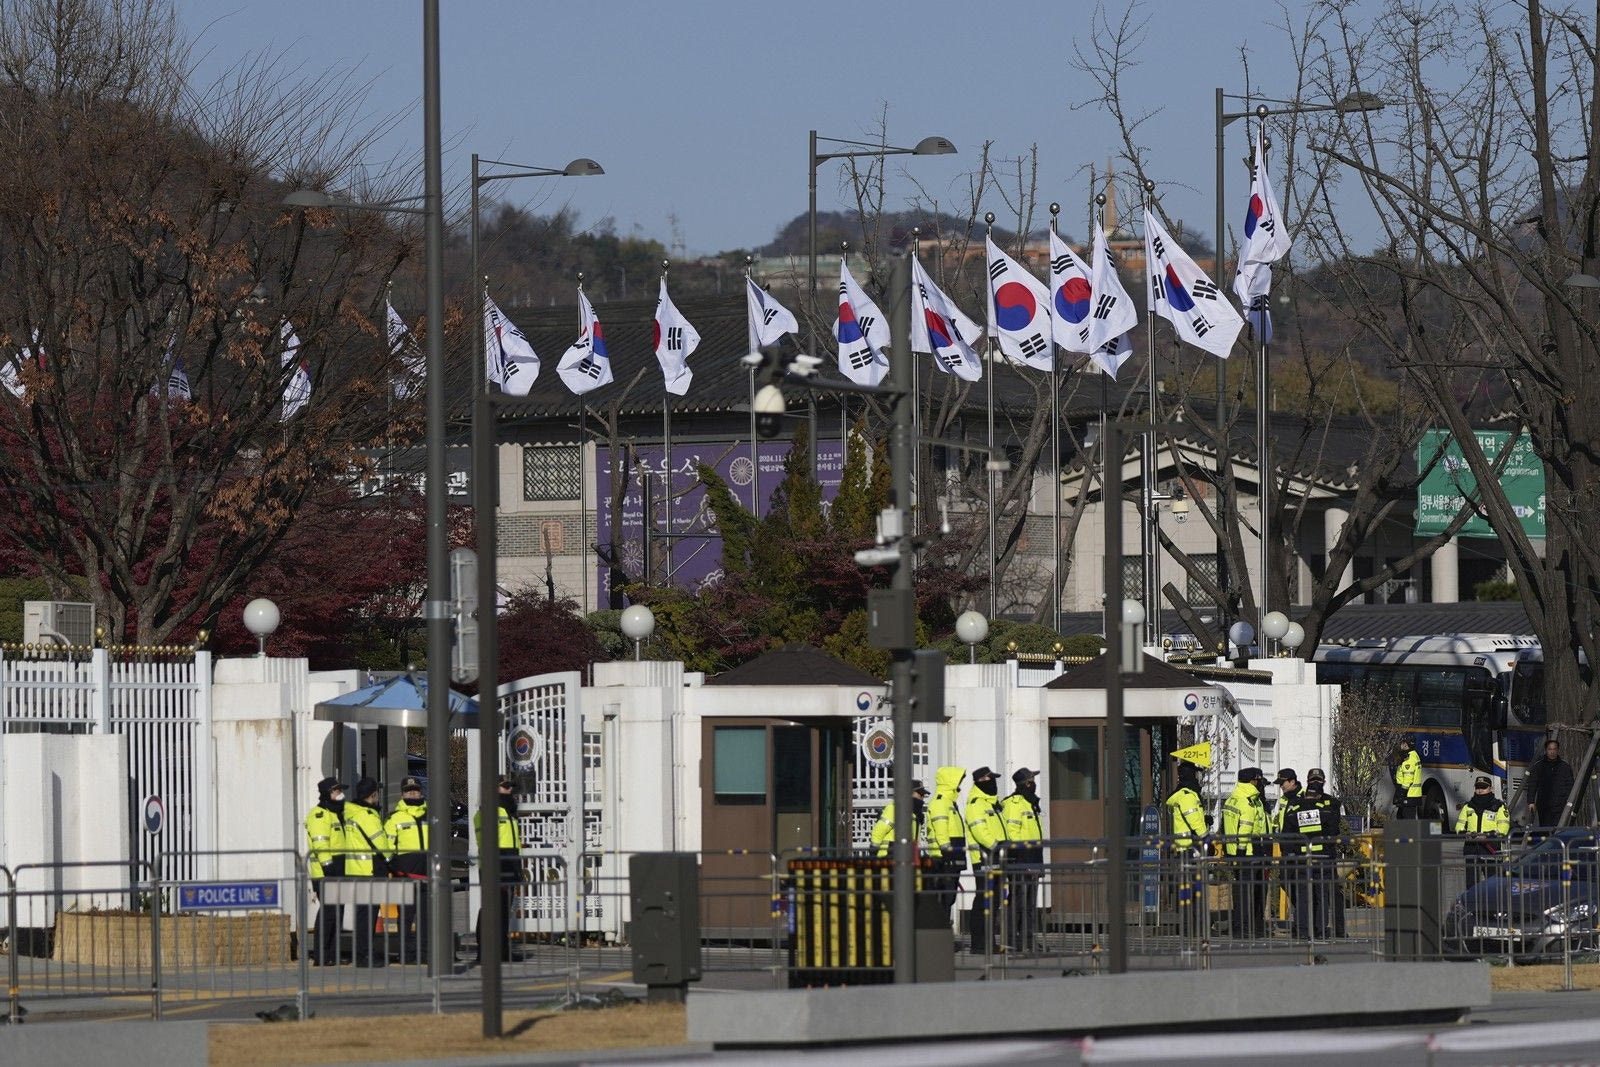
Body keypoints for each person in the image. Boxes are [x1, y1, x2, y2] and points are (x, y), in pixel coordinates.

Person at [474, 777, 523, 965]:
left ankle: (502, 950)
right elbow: (485, 840)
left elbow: (512, 842)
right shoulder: (488, 810)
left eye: (510, 787)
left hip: (510, 863)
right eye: (504, 786)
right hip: (493, 864)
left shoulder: (509, 811)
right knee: (490, 909)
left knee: (504, 910)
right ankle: (484, 952)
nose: (508, 790)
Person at [343, 777, 391, 967]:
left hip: (355, 871)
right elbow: (381, 844)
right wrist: (392, 861)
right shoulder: (368, 816)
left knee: (362, 915)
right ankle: (365, 955)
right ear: (373, 795)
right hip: (370, 871)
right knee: (368, 916)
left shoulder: (350, 813)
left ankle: (362, 953)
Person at [383, 775, 430, 964]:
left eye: (416, 789)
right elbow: (387, 846)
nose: (413, 792)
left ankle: (426, 953)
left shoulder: (431, 815)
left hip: (428, 874)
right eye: (409, 790)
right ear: (402, 794)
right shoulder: (394, 818)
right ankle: (407, 954)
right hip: (404, 875)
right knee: (406, 918)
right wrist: (395, 867)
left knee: (427, 917)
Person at [1221, 767, 1270, 939]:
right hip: (1248, 851)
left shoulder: (1231, 800)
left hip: (1234, 852)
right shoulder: (1248, 802)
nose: (1259, 784)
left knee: (1242, 892)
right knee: (1248, 894)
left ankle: (1241, 927)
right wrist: (1243, 851)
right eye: (1257, 780)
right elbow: (1246, 828)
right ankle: (1244, 928)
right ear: (1252, 781)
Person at [1000, 768, 1044, 953]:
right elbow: (1012, 834)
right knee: (1018, 902)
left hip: (1034, 858)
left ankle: (1027, 939)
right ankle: (1011, 940)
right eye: (1032, 780)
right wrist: (1023, 860)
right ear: (1026, 783)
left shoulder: (1031, 803)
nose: (1034, 783)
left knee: (1030, 904)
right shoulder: (1014, 804)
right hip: (1020, 859)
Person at [304, 777, 347, 966]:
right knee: (329, 913)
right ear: (328, 794)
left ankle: (333, 954)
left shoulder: (336, 813)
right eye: (337, 791)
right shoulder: (319, 815)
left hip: (338, 869)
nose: (341, 794)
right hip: (326, 871)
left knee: (338, 912)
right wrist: (329, 867)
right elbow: (320, 843)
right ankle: (321, 955)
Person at [963, 766, 1006, 954]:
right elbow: (980, 832)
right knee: (984, 900)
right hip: (983, 857)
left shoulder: (991, 803)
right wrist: (998, 845)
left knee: (994, 899)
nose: (994, 782)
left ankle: (989, 942)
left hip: (995, 856)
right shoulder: (975, 804)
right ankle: (979, 943)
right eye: (990, 779)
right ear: (981, 781)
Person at [1164, 762, 1210, 937]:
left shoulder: (1186, 794)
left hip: (1186, 850)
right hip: (1189, 850)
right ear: (1190, 775)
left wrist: (1205, 819)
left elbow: (1194, 819)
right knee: (1192, 891)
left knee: (1189, 891)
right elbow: (1194, 821)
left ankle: (1191, 927)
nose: (1197, 777)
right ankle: (1191, 929)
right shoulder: (1187, 795)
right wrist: (1206, 838)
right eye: (1195, 774)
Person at [1303, 768, 1343, 939]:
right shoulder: (1301, 802)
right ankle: (1313, 929)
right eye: (1313, 780)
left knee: (1332, 893)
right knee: (1310, 894)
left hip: (1327, 854)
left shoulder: (1332, 802)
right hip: (1307, 856)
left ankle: (1337, 929)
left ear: (1324, 782)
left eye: (1318, 781)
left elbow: (1334, 828)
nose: (1316, 783)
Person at [925, 766, 967, 920]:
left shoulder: (949, 802)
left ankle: (943, 938)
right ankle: (939, 939)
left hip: (951, 856)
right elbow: (941, 830)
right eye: (958, 781)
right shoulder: (940, 802)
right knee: (943, 899)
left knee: (948, 899)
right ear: (950, 781)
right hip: (943, 858)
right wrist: (948, 853)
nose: (960, 784)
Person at [1456, 774, 1510, 887]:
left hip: (1490, 849)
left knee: (1493, 885)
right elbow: (1459, 826)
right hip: (1471, 849)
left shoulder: (1499, 807)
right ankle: (1472, 904)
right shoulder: (1468, 806)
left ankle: (1493, 904)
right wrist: (1465, 833)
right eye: (1478, 787)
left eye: (1483, 787)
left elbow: (1503, 829)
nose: (1480, 790)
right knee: (1471, 885)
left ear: (1491, 788)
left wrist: (1487, 836)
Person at [1524, 738, 1574, 829]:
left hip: (1560, 805)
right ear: (1546, 750)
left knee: (1559, 829)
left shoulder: (1565, 767)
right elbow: (1532, 784)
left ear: (1558, 750)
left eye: (1554, 749)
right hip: (1544, 804)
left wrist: (1568, 801)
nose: (1552, 752)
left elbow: (1570, 785)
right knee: (1545, 829)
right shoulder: (1538, 766)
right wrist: (1531, 801)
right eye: (1550, 749)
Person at [871, 779, 928, 857]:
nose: (922, 796)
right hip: (889, 856)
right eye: (920, 793)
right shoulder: (895, 808)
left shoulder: (915, 813)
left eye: (923, 794)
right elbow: (878, 831)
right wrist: (873, 853)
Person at [1393, 736, 1424, 820]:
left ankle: (1408, 833)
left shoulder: (1409, 758)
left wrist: (1402, 792)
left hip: (1409, 794)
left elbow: (1408, 778)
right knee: (1401, 816)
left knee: (1407, 817)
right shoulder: (1412, 755)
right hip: (1411, 793)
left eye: (1402, 743)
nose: (1401, 745)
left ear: (1407, 745)